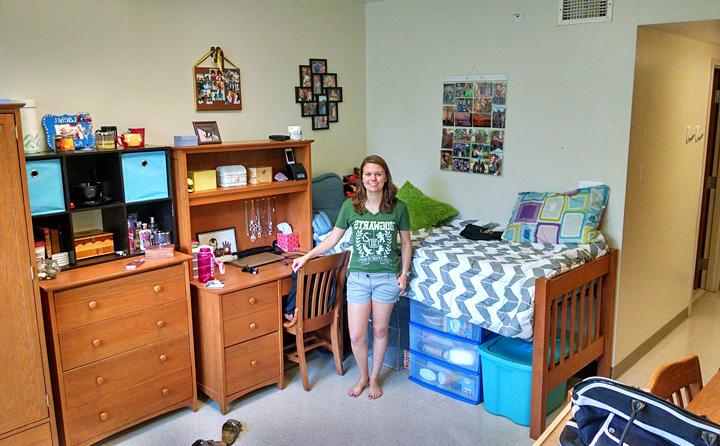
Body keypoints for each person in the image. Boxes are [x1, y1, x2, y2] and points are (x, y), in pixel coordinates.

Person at [292, 155, 412, 400]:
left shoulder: (398, 207)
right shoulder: (351, 207)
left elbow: (407, 245)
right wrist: (306, 257)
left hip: (386, 278)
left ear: (385, 176)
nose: (373, 179)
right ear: (361, 179)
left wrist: (404, 274)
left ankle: (375, 377)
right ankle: (363, 376)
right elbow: (332, 239)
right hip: (357, 278)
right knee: (356, 335)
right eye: (368, 174)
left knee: (379, 330)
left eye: (378, 174)